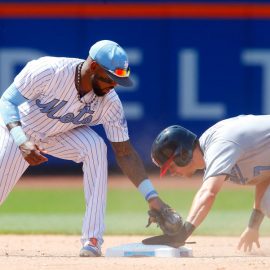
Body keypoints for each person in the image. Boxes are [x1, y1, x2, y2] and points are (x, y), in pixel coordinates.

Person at [0, 40, 180, 257]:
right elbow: (7, 102)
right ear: (93, 66)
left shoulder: (109, 102)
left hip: (60, 135)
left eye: (117, 81)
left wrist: (153, 198)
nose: (113, 85)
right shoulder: (49, 71)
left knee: (95, 147)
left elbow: (125, 153)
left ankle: (92, 240)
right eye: (110, 79)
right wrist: (21, 140)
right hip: (21, 130)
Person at [144, 115, 270, 252]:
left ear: (183, 154)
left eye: (171, 167)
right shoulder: (212, 150)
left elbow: (208, 193)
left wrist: (183, 233)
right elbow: (264, 177)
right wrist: (253, 226)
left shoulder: (219, 146)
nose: (172, 173)